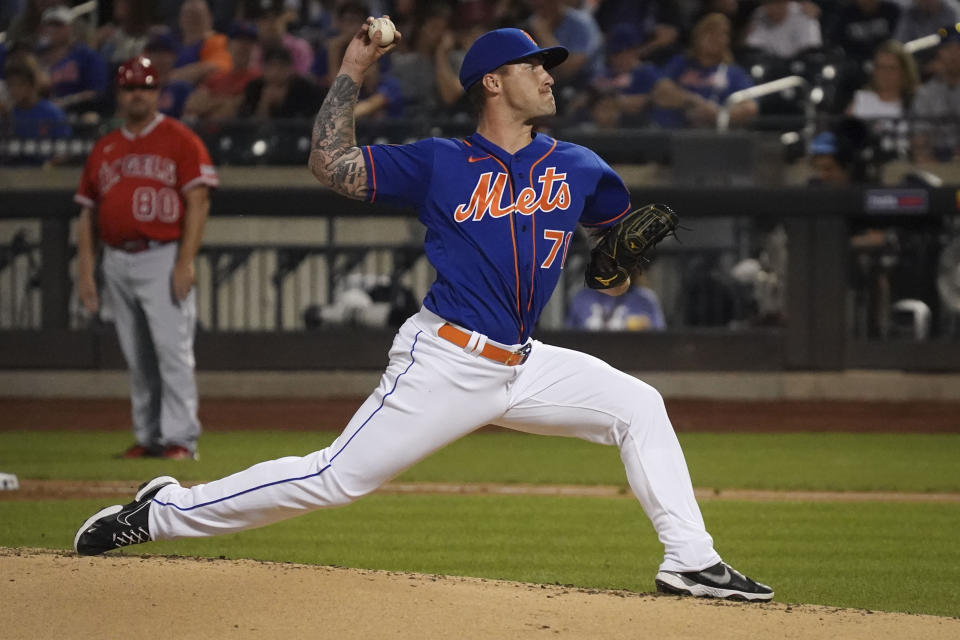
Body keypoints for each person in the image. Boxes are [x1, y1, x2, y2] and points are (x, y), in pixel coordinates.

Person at [73, 22, 774, 603]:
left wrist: (618, 267)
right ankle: (159, 513)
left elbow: (612, 265)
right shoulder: (440, 161)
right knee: (335, 478)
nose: (551, 77)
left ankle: (689, 560)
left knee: (639, 406)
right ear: (492, 82)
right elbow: (331, 163)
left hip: (523, 364)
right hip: (446, 359)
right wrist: (352, 64)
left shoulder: (582, 167)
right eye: (535, 66)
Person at [72, 56, 217, 461]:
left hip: (162, 254)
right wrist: (86, 270)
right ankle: (149, 436)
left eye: (146, 86)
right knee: (137, 356)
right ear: (120, 94)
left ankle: (180, 441)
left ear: (158, 92)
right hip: (116, 259)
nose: (138, 93)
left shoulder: (180, 138)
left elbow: (198, 200)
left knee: (172, 352)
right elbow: (87, 212)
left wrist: (184, 261)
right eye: (131, 86)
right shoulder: (105, 146)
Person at [650, 13, 757, 129]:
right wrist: (694, 102)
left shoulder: (734, 72)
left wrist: (717, 115)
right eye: (711, 32)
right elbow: (661, 91)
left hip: (714, 138)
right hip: (673, 133)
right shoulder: (680, 63)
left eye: (723, 34)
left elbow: (750, 107)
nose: (716, 38)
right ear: (698, 35)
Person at [37, 5, 109, 115]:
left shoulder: (86, 56)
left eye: (59, 25)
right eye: (49, 25)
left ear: (71, 27)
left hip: (77, 115)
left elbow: (96, 92)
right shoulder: (35, 56)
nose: (53, 29)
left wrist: (66, 102)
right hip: (39, 114)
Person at [237, 45, 324, 119]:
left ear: (291, 69)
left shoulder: (304, 88)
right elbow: (248, 125)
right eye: (271, 66)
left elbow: (306, 120)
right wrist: (264, 104)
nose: (276, 72)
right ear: (263, 68)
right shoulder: (254, 88)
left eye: (282, 67)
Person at [743, 0, 822, 59]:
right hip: (770, 68)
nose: (772, 8)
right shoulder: (759, 15)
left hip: (799, 67)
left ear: (786, 2)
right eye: (769, 3)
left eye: (777, 3)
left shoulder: (804, 14)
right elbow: (752, 46)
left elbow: (811, 50)